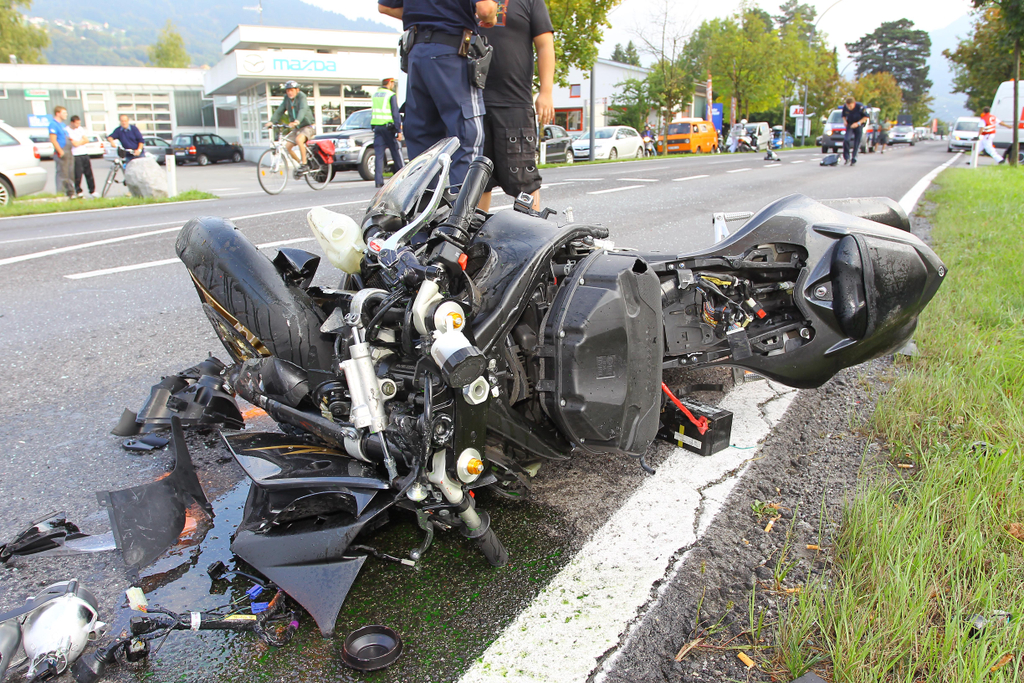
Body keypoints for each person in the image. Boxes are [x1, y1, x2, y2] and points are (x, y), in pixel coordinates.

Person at [377, 0, 499, 186]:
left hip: (416, 53)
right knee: (466, 140)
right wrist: (490, 17)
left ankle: (424, 211)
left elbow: (385, 7)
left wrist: (423, 14)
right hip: (453, 52)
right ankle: (461, 213)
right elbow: (485, 9)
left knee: (423, 148)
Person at [475, 0, 554, 212]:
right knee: (476, 181)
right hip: (471, 102)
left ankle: (532, 237)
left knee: (524, 180)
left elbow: (545, 44)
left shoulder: (529, 2)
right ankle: (473, 241)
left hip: (514, 102)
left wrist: (546, 91)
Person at [266, 81, 315, 175]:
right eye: (288, 90)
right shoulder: (287, 99)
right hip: (297, 128)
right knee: (287, 147)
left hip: (307, 126)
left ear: (297, 90)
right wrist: (272, 121)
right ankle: (300, 163)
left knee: (299, 139)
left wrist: (297, 121)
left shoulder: (301, 96)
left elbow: (303, 109)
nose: (289, 92)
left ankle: (305, 164)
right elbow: (280, 110)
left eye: (291, 90)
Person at [370, 77, 405, 188]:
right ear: (389, 83)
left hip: (377, 128)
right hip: (388, 128)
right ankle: (403, 178)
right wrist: (398, 130)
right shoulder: (390, 95)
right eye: (392, 83)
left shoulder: (375, 95)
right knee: (396, 153)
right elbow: (395, 113)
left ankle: (379, 181)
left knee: (379, 155)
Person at [66, 115, 96, 198]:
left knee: (89, 173)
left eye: (79, 123)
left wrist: (79, 142)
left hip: (84, 153)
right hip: (75, 154)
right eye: (76, 123)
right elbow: (74, 144)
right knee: (77, 174)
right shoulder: (67, 130)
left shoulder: (80, 129)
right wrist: (81, 142)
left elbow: (86, 140)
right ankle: (78, 190)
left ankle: (92, 190)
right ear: (72, 122)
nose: (78, 125)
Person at [48, 106, 74, 197]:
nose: (66, 115)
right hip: (62, 151)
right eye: (64, 113)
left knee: (70, 173)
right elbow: (53, 139)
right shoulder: (53, 124)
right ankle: (61, 193)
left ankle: (70, 192)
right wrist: (60, 151)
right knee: (62, 174)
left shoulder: (63, 125)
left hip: (69, 151)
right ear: (57, 113)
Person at [840, 97, 869, 166]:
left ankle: (854, 158)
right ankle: (847, 157)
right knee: (846, 139)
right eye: (848, 106)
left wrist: (858, 123)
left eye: (850, 106)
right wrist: (845, 121)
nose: (849, 107)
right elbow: (843, 115)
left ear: (854, 104)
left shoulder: (860, 107)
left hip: (859, 124)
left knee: (857, 141)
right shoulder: (845, 107)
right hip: (850, 124)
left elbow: (866, 117)